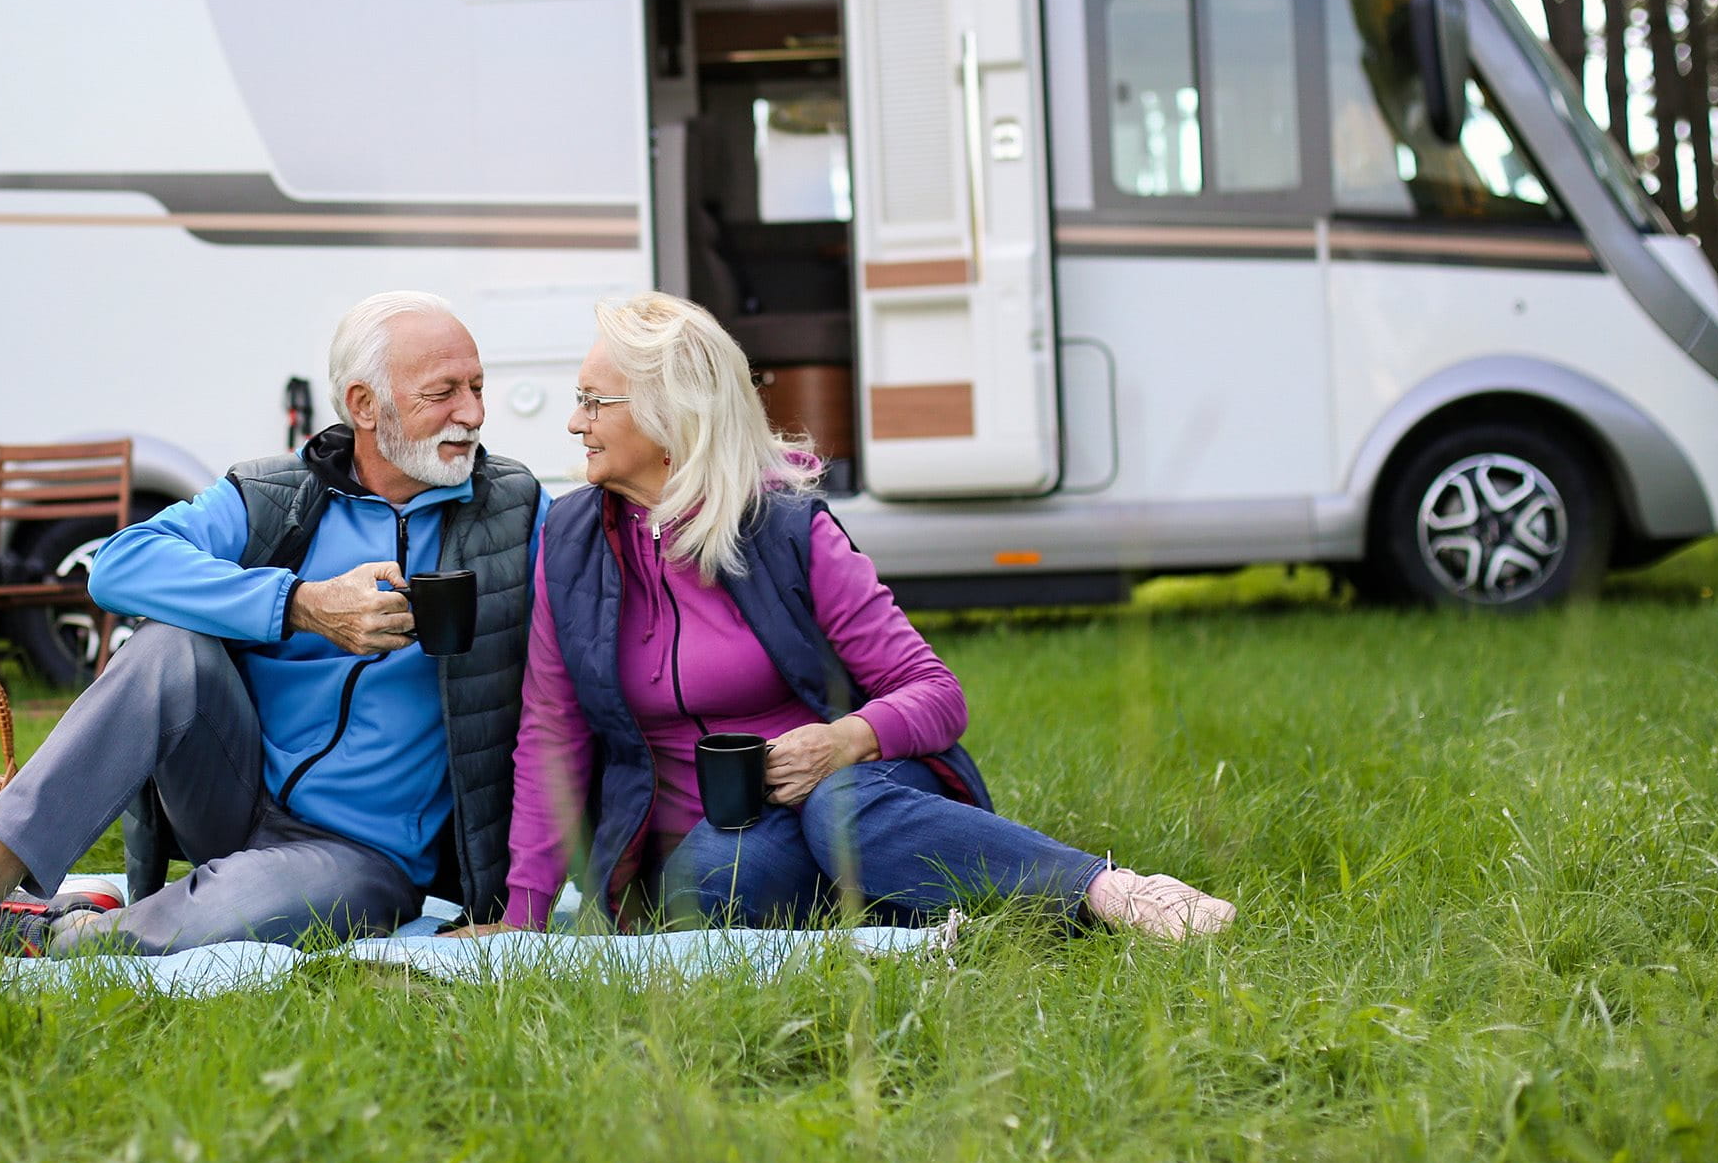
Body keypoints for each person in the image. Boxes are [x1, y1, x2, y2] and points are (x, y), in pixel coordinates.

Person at [500, 292, 1233, 941]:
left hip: (852, 791)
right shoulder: (569, 542)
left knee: (839, 811)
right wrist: (523, 921)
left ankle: (1111, 893)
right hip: (707, 843)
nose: (574, 421)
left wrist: (844, 740)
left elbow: (938, 695)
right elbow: (549, 733)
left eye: (595, 401)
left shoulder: (785, 530)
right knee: (708, 885)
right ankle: (926, 899)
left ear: (669, 416)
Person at [0, 290, 548, 964]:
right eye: (444, 392)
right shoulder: (277, 495)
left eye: (477, 387)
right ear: (365, 405)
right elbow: (116, 568)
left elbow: (573, 673)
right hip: (231, 794)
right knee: (168, 643)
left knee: (235, 914)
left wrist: (524, 904)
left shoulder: (512, 512)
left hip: (366, 854)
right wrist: (300, 604)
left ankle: (62, 932)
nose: (473, 412)